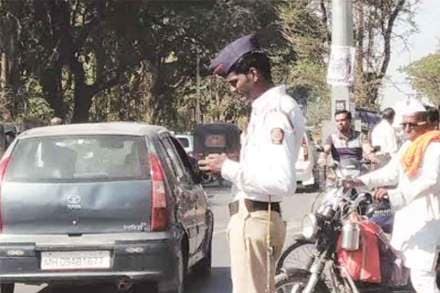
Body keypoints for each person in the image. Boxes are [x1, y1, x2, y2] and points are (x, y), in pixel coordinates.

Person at [199, 34, 305, 293]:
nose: (233, 89)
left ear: (254, 74)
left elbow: (281, 182)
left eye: (235, 81)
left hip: (257, 217)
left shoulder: (274, 113)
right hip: (254, 216)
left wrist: (227, 167)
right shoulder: (266, 109)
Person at [346, 102, 440, 293]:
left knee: (422, 279)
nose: (406, 129)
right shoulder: (408, 146)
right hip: (408, 220)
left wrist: (394, 194)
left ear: (427, 123)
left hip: (429, 221)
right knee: (403, 277)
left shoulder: (435, 147)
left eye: (412, 125)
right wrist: (359, 181)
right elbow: (390, 173)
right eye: (404, 125)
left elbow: (430, 180)